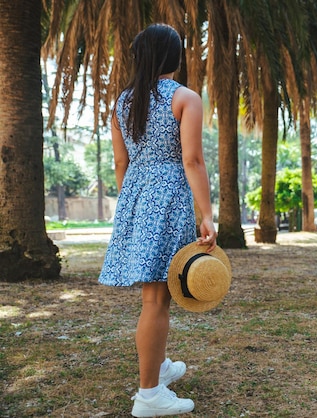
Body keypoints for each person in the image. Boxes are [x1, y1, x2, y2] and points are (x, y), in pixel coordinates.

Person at [98, 23, 217, 417]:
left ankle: (159, 367)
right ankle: (149, 395)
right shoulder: (184, 97)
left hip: (136, 195)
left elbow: (120, 162)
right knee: (157, 298)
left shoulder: (123, 102)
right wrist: (207, 214)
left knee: (155, 295)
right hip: (169, 196)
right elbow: (192, 160)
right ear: (175, 56)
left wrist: (133, 203)